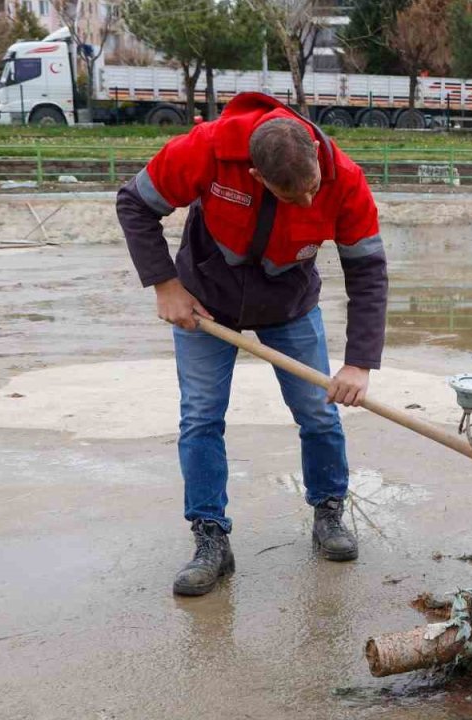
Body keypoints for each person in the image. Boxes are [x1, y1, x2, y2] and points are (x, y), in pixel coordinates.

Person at [116, 93, 387, 596]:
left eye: (312, 190)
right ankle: (210, 537)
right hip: (206, 300)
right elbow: (134, 202)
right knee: (200, 416)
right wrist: (165, 284)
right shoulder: (207, 149)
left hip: (290, 303)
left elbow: (367, 269)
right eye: (294, 197)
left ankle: (329, 512)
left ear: (317, 157)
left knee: (319, 411)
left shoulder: (344, 178)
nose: (309, 205)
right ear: (257, 178)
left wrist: (359, 363)